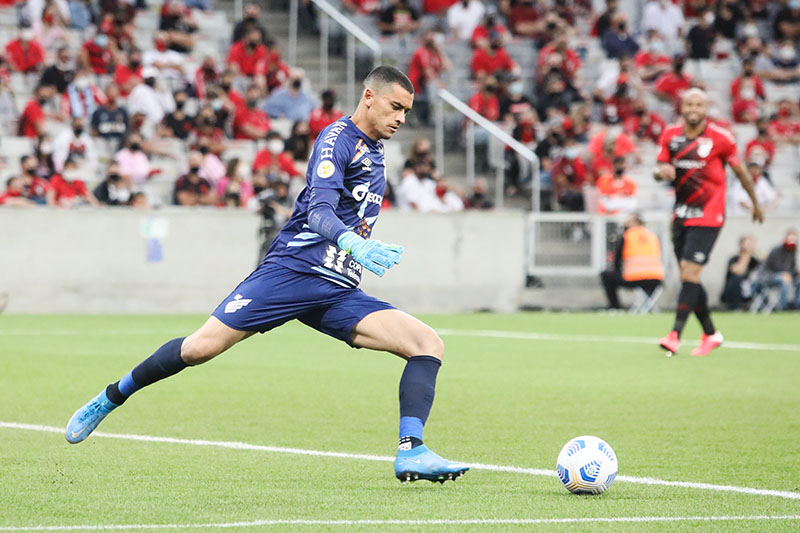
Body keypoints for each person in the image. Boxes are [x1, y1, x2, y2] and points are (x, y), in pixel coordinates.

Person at [65, 66, 470, 484]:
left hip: (337, 287)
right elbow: (318, 210)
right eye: (395, 107)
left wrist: (352, 253)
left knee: (427, 343)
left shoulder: (377, 149)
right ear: (369, 96)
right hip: (293, 271)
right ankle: (112, 397)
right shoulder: (337, 140)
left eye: (406, 110)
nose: (402, 118)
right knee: (200, 348)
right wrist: (354, 243)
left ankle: (411, 450)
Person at [654, 88, 764, 356]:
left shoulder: (721, 138)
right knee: (688, 276)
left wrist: (756, 204)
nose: (693, 109)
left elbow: (741, 172)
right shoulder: (670, 135)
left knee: (690, 273)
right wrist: (662, 173)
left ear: (706, 108)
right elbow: (659, 169)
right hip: (680, 214)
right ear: (682, 107)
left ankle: (674, 335)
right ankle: (711, 334)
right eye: (689, 104)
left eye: (698, 105)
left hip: (709, 214)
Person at [600, 213, 664, 309]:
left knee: (606, 275)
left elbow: (617, 259)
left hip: (634, 277)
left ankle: (615, 307)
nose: (626, 224)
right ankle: (646, 305)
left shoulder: (628, 236)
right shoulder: (652, 236)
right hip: (656, 279)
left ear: (635, 222)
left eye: (628, 222)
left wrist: (619, 270)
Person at [755, 229, 799, 311]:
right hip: (769, 277)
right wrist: (785, 274)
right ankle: (783, 307)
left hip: (785, 276)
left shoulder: (792, 251)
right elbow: (776, 267)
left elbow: (791, 268)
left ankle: (797, 305)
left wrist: (796, 272)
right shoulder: (776, 250)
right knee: (785, 281)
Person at [720, 234, 759, 310]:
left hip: (752, 288)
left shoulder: (754, 260)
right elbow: (738, 271)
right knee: (736, 279)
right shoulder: (734, 259)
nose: (749, 246)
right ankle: (735, 306)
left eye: (751, 244)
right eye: (747, 244)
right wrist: (746, 255)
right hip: (734, 290)